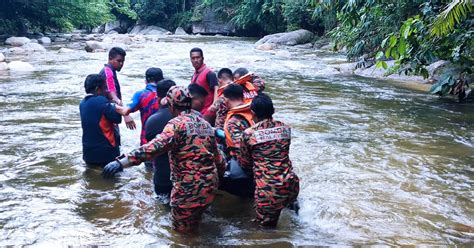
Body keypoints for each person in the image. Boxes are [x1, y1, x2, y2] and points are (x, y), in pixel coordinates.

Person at [102, 86, 225, 233]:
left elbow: (152, 148)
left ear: (171, 106)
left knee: (182, 236)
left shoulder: (176, 125)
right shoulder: (205, 125)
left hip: (188, 190)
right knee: (199, 225)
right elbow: (219, 160)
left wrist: (121, 162)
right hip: (210, 186)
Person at [239, 93, 300, 227]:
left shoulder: (249, 134)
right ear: (273, 111)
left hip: (268, 189)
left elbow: (245, 163)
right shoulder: (285, 128)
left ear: (252, 113)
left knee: (266, 232)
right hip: (291, 184)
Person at [80, 74, 123, 167]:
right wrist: (117, 103)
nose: (106, 90)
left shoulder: (82, 103)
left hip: (88, 153)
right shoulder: (102, 101)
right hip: (106, 153)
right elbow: (117, 118)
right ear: (97, 89)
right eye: (104, 87)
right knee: (111, 180)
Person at [219, 84, 255, 198]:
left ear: (226, 100)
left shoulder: (233, 121)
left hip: (248, 170)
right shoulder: (252, 111)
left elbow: (241, 151)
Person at [144, 79, 176, 205]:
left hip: (163, 178)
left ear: (158, 98)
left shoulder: (152, 121)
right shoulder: (193, 117)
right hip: (186, 180)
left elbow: (152, 150)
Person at [99, 47, 135, 129]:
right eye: (119, 61)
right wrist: (125, 113)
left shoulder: (109, 71)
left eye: (123, 61)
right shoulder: (108, 73)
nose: (121, 64)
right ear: (110, 58)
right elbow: (113, 96)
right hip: (107, 118)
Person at [126, 67, 163, 146]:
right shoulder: (169, 94)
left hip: (146, 141)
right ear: (162, 80)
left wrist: (126, 115)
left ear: (146, 81)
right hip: (166, 140)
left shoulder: (140, 95)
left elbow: (125, 109)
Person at [189, 47, 218, 123]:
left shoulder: (209, 73)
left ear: (202, 58)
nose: (196, 60)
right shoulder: (194, 75)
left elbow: (216, 88)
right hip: (197, 111)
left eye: (198, 57)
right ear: (190, 60)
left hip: (208, 111)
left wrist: (214, 105)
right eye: (193, 58)